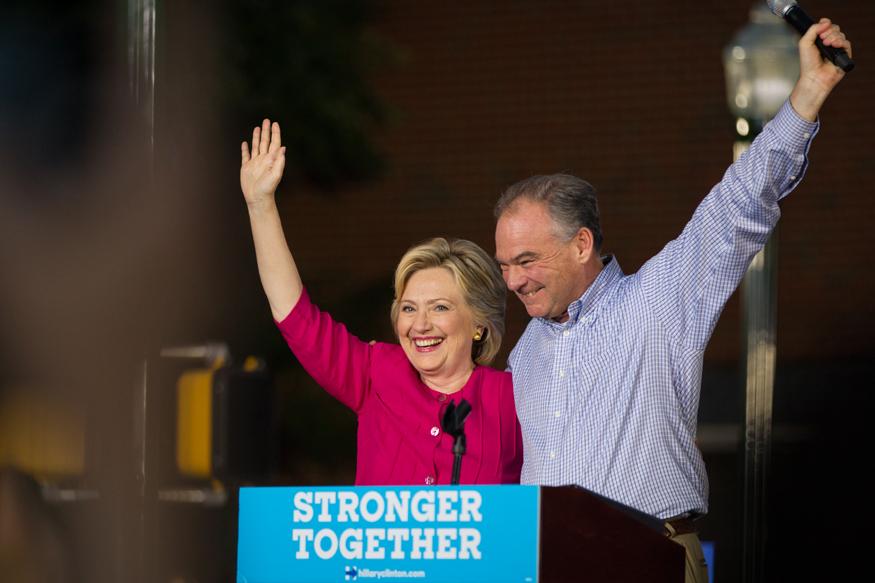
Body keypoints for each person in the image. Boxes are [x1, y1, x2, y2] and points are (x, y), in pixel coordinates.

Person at [493, 18, 851, 583]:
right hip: (549, 564)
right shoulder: (525, 352)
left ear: (581, 243)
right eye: (505, 265)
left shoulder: (657, 300)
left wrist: (807, 94)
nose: (513, 281)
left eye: (527, 261)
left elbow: (737, 206)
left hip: (646, 556)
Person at [240, 121, 522, 485]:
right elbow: (297, 319)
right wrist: (260, 206)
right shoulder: (376, 375)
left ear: (479, 323)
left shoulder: (513, 400)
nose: (419, 324)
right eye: (408, 308)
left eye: (439, 307)